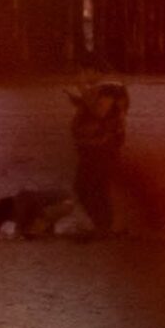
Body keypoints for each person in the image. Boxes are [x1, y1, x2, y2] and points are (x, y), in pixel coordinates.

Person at [67, 63, 130, 234]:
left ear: (93, 70)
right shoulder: (104, 89)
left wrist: (82, 89)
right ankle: (105, 226)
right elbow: (97, 108)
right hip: (95, 148)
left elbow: (100, 112)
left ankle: (105, 226)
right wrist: (79, 100)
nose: (81, 77)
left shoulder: (110, 87)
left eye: (82, 73)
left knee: (89, 187)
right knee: (93, 187)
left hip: (101, 148)